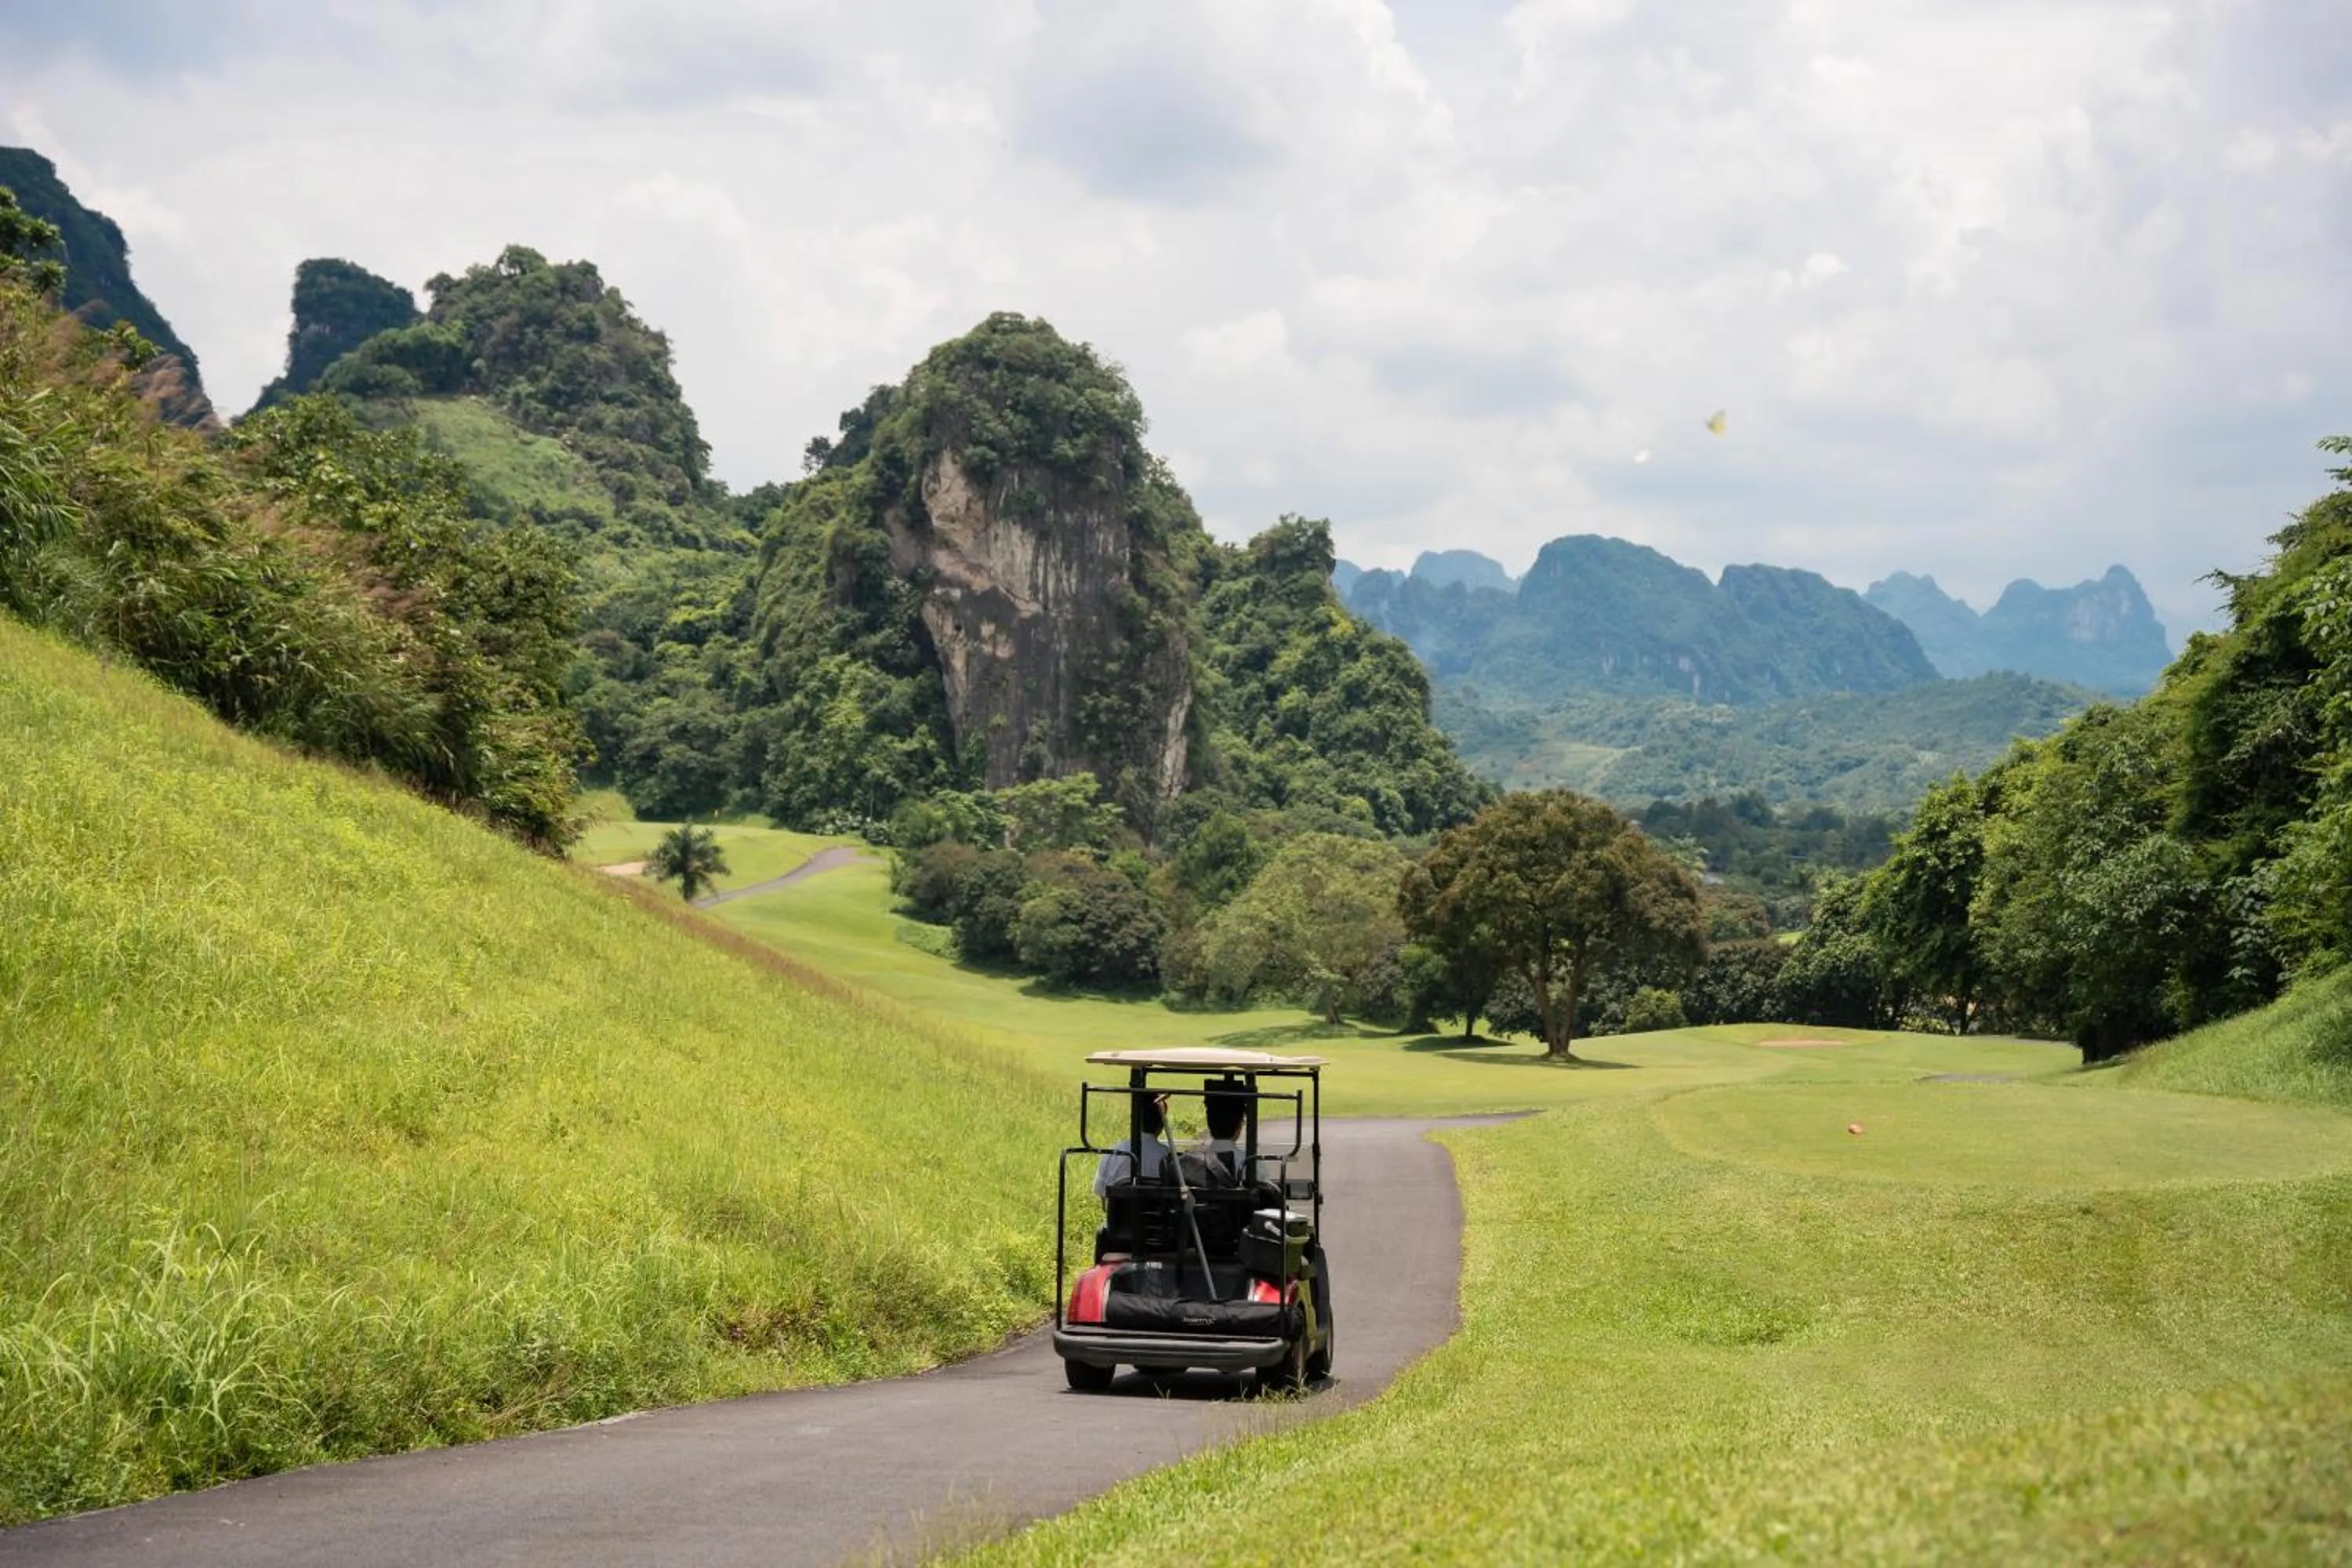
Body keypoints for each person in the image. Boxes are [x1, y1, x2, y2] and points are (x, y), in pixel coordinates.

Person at [1093, 1091, 1171, 1200]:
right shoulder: (1169, 1158)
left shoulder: (1113, 1153)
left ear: (1134, 1120)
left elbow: (1104, 1199)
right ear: (1161, 1124)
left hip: (1119, 1217)